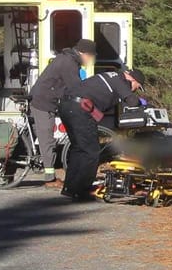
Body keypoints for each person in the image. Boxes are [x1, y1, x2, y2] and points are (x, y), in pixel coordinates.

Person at [58, 68, 146, 200]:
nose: (134, 90)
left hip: (67, 105)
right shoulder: (120, 79)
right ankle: (83, 190)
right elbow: (131, 100)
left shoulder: (111, 76)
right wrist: (142, 104)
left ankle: (70, 189)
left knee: (79, 149)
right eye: (137, 87)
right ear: (133, 80)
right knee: (91, 151)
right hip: (79, 108)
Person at [31, 39, 96, 186]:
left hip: (48, 100)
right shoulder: (68, 63)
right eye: (91, 56)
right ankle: (49, 178)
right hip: (43, 102)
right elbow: (76, 87)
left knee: (46, 137)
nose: (91, 60)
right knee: (47, 140)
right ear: (84, 53)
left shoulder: (69, 59)